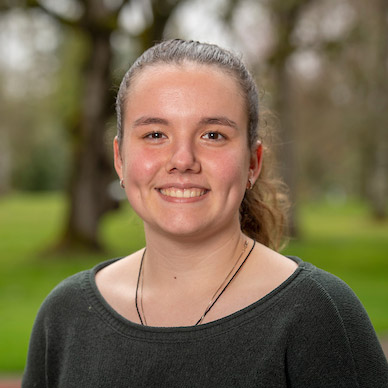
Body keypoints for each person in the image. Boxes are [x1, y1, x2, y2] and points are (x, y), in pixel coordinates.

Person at [22, 39, 388, 387]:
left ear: (252, 163)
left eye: (212, 135)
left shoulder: (318, 315)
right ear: (120, 158)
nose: (182, 160)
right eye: (154, 134)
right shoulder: (66, 316)